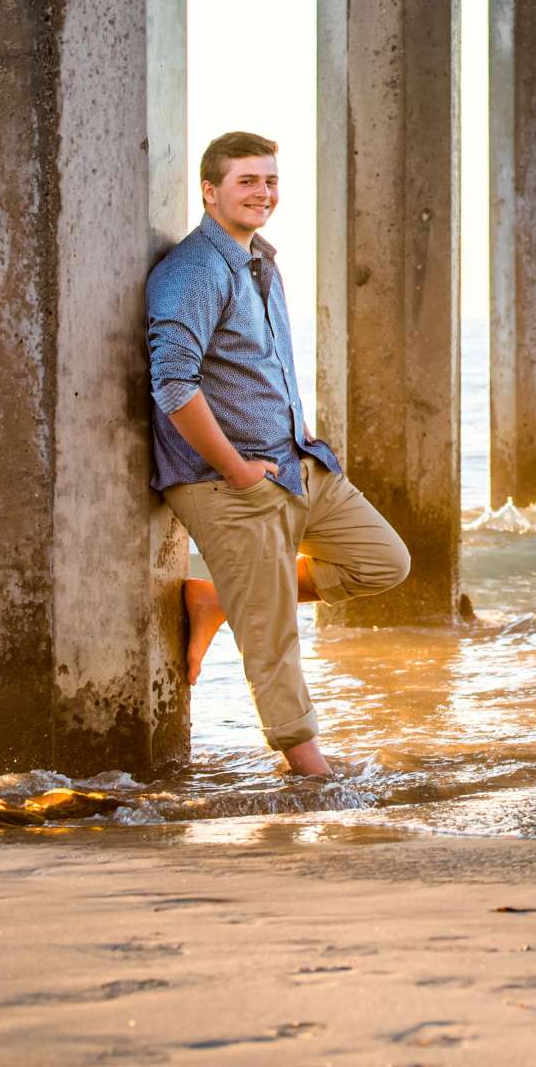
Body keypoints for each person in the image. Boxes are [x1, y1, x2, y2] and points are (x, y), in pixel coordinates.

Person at [146, 131, 410, 776]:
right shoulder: (194, 270)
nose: (262, 193)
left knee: (384, 563)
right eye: (246, 181)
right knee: (271, 639)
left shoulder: (260, 260)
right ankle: (310, 769)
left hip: (296, 463)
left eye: (269, 181)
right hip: (227, 482)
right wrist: (236, 469)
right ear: (210, 191)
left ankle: (217, 597)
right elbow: (173, 383)